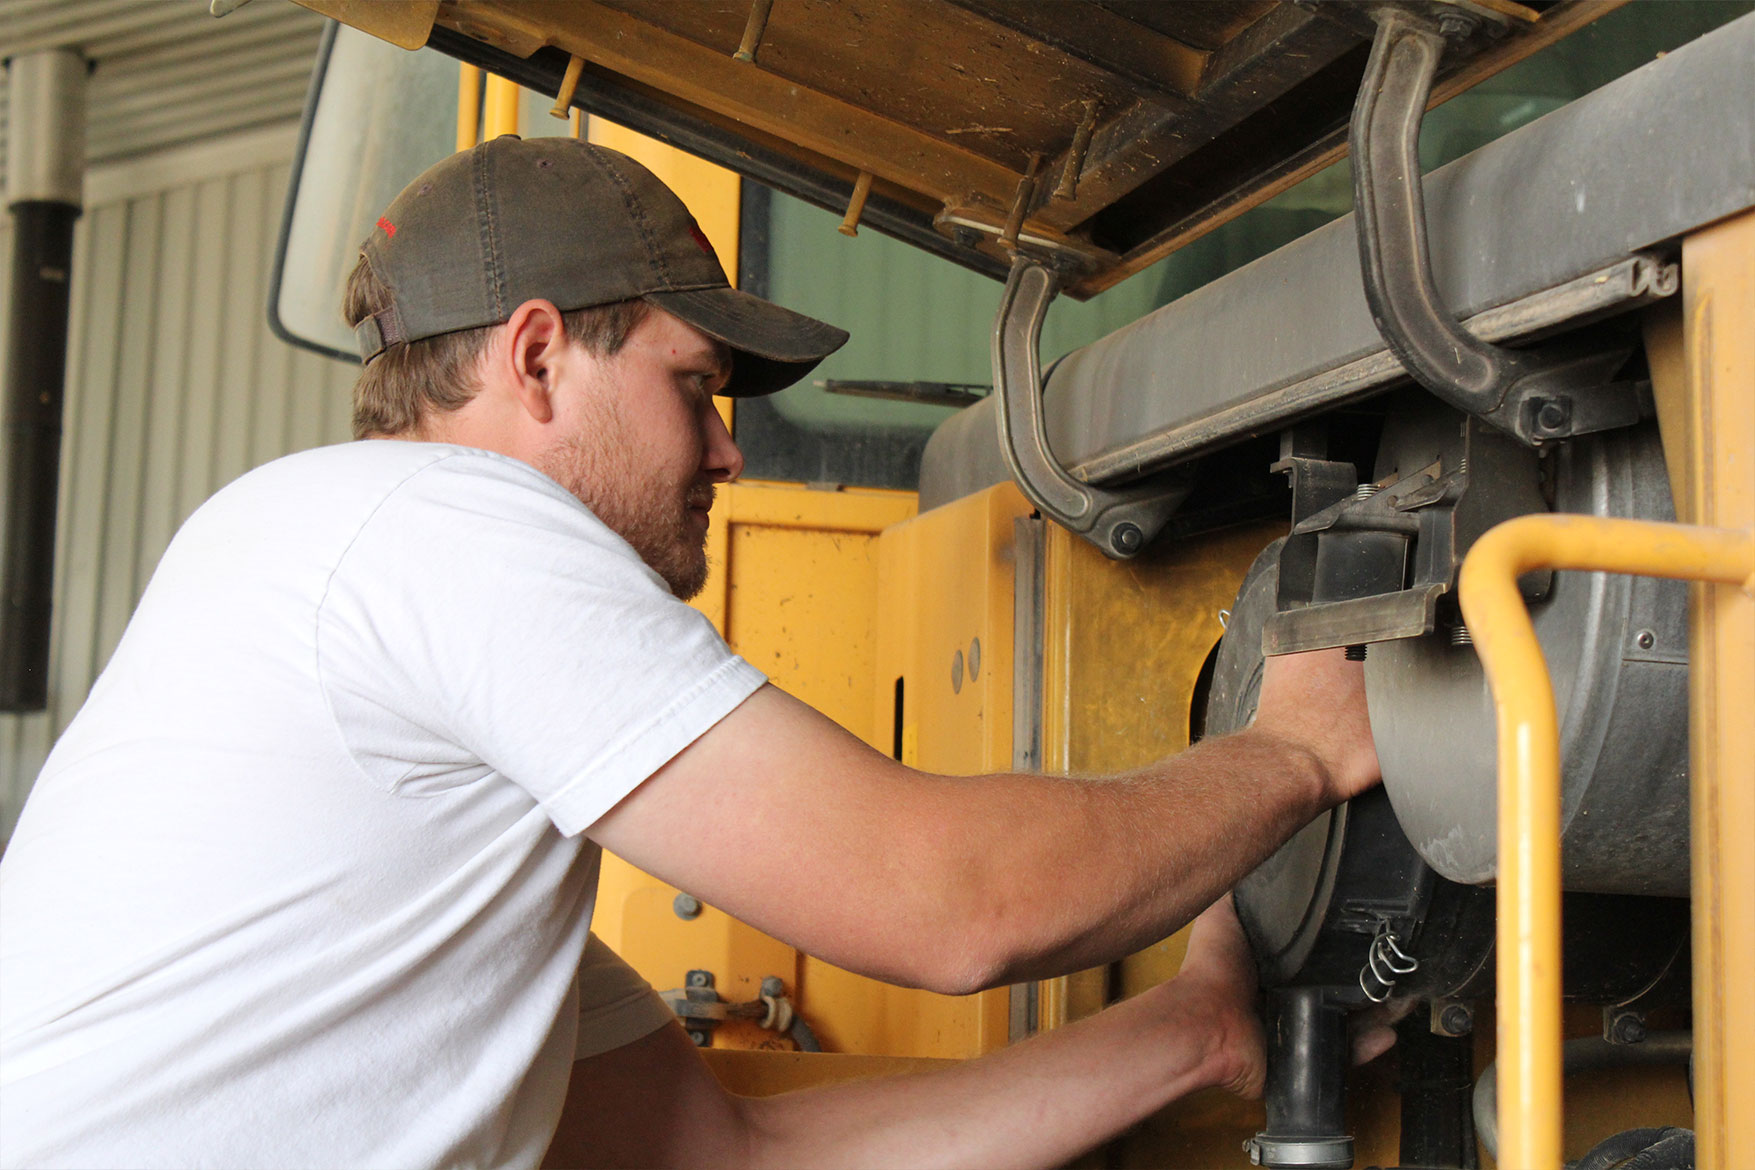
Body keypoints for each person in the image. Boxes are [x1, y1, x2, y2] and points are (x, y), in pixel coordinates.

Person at [0, 136, 1380, 1169]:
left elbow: (728, 1155)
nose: (726, 448)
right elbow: (945, 901)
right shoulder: (440, 528)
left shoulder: (393, 728)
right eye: (692, 388)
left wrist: (1189, 1030)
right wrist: (1294, 750)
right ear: (536, 359)